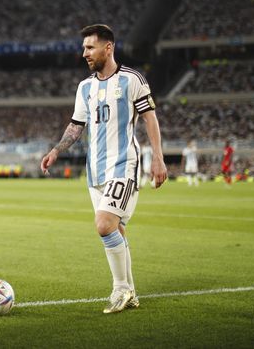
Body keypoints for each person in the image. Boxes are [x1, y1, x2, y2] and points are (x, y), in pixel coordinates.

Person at [40, 24, 167, 314]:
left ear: (107, 47)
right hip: (94, 172)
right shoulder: (85, 87)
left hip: (124, 165)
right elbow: (76, 126)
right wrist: (57, 150)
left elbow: (150, 118)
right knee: (116, 230)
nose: (84, 53)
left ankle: (120, 289)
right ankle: (130, 293)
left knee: (104, 225)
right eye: (84, 47)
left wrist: (158, 157)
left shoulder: (132, 79)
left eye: (89, 47)